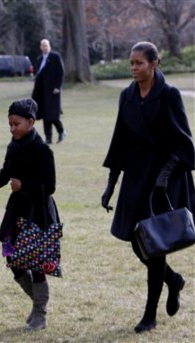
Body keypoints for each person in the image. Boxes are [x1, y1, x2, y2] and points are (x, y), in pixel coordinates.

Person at [101, 41, 195, 333]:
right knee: (136, 240)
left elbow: (184, 142)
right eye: (131, 63)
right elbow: (120, 141)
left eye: (138, 63)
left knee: (154, 246)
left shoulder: (169, 95)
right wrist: (111, 183)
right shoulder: (127, 96)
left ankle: (149, 315)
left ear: (154, 63)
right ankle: (173, 280)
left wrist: (166, 174)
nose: (133, 68)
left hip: (163, 180)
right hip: (136, 178)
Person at [0, 98, 56, 330]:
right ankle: (37, 304)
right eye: (10, 124)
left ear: (31, 122)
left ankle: (40, 315)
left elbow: (49, 187)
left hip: (38, 213)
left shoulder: (43, 151)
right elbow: (4, 175)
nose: (12, 129)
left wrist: (24, 186)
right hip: (16, 212)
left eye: (17, 124)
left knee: (37, 264)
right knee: (14, 261)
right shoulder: (13, 146)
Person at [31, 38, 66, 144]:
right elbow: (38, 74)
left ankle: (61, 131)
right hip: (42, 91)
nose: (45, 47)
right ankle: (48, 138)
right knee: (45, 115)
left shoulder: (55, 57)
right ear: (40, 47)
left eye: (46, 45)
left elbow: (60, 73)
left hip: (53, 91)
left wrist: (57, 87)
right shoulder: (39, 59)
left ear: (49, 46)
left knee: (52, 115)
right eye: (43, 45)